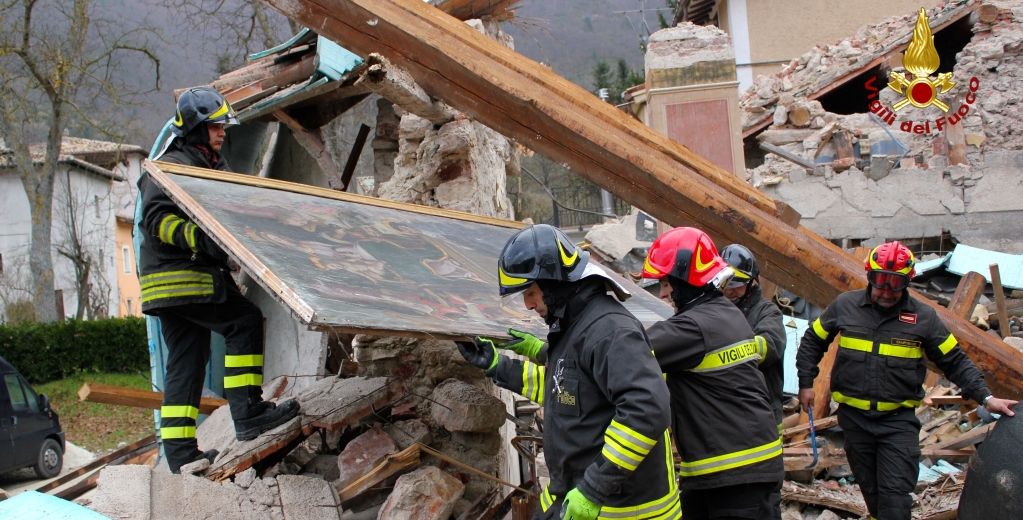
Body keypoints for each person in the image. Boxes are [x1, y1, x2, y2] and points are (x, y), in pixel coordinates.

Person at [458, 224, 680, 520]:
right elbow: (566, 394)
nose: (527, 304)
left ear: (555, 283)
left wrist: (594, 488)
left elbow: (648, 410)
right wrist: (498, 365)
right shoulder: (575, 326)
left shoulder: (610, 330)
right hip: (579, 501)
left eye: (532, 292)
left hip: (623, 509)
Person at [138, 87, 299, 473]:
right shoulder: (171, 167)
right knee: (242, 321)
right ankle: (248, 412)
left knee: (186, 363)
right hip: (184, 279)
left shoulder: (205, 163)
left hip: (168, 287)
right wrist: (206, 243)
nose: (222, 132)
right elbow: (158, 221)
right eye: (215, 126)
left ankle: (180, 455)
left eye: (223, 125)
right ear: (194, 128)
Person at [796, 241, 1018, 519]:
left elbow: (955, 361)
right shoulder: (846, 306)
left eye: (895, 283)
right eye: (881, 281)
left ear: (908, 281)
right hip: (853, 421)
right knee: (872, 493)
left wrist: (986, 397)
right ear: (869, 275)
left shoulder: (923, 318)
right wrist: (806, 382)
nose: (887, 291)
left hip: (896, 424)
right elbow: (812, 341)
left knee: (895, 497)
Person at [642, 228, 783, 520]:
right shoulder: (726, 313)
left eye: (666, 283)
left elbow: (625, 351)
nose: (663, 293)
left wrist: (547, 351)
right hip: (728, 470)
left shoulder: (692, 327)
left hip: (734, 472)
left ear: (684, 281)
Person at [720, 244, 787, 429]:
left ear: (751, 283)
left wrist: (726, 350)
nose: (730, 290)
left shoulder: (767, 312)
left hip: (761, 413)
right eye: (727, 283)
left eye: (738, 283)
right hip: (725, 411)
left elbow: (770, 345)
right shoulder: (715, 311)